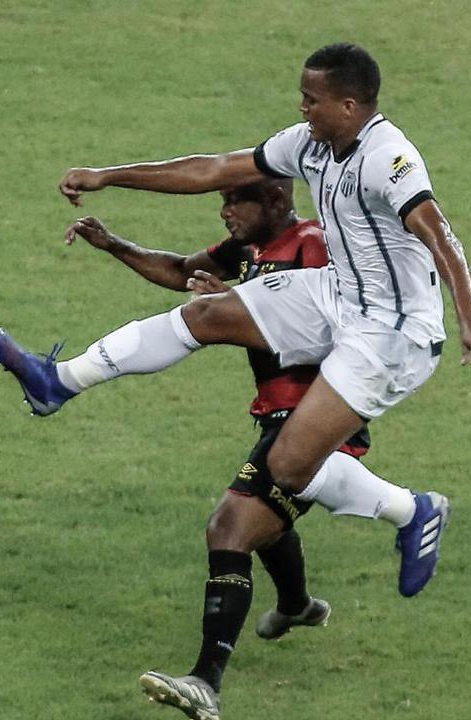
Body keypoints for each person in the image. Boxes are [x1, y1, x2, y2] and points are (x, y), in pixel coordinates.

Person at [0, 42, 471, 720]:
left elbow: (439, 231)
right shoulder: (310, 145)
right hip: (339, 296)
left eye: (312, 98)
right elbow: (212, 168)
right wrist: (107, 175)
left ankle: (414, 511)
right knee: (206, 311)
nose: (301, 107)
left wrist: (470, 316)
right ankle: (57, 381)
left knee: (289, 466)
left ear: (350, 106)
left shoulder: (392, 158)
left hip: (391, 335)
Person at [63, 178, 444, 633]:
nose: (225, 213)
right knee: (265, 512)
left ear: (276, 201)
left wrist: (228, 306)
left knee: (234, 524)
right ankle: (296, 604)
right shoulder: (248, 249)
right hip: (278, 412)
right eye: (222, 202)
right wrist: (112, 244)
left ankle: (412, 510)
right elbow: (180, 269)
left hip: (318, 412)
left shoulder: (314, 248)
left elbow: (326, 329)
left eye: (234, 202)